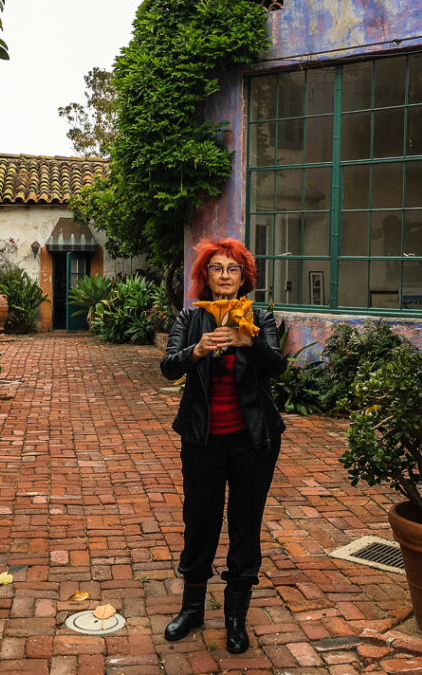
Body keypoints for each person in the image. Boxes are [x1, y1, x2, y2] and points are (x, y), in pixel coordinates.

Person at [159, 237, 287, 654]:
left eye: (233, 269)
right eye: (217, 268)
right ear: (205, 276)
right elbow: (167, 367)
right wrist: (196, 350)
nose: (225, 275)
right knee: (200, 520)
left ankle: (235, 617)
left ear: (244, 276)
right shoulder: (190, 318)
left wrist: (251, 342)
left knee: (245, 523)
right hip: (202, 438)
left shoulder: (261, 317)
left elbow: (278, 367)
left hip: (254, 440)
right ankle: (192, 608)